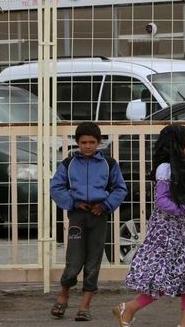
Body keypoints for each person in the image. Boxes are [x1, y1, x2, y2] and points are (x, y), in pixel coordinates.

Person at [113, 124, 185, 327]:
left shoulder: (177, 166)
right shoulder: (165, 168)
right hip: (166, 232)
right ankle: (129, 307)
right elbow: (162, 201)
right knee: (164, 276)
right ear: (176, 144)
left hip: (178, 229)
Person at [50, 122, 128, 322]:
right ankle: (64, 295)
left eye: (92, 142)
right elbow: (56, 187)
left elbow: (120, 188)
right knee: (74, 260)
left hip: (99, 216)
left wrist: (105, 205)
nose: (87, 146)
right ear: (77, 142)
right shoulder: (68, 164)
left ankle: (84, 306)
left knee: (93, 261)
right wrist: (73, 202)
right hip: (77, 216)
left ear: (99, 143)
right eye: (83, 142)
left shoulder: (108, 164)